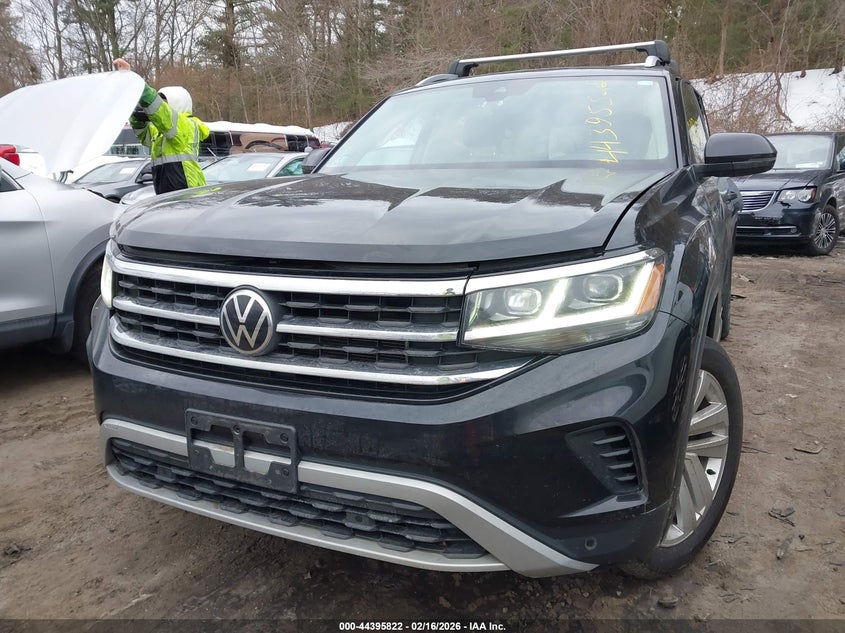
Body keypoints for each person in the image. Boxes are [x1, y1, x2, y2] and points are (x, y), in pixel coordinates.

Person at [113, 58, 209, 194]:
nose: (161, 105)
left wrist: (134, 82)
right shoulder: (160, 132)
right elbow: (143, 134)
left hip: (188, 192)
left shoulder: (187, 125)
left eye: (165, 102)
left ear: (177, 103)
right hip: (167, 191)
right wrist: (137, 115)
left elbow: (161, 112)